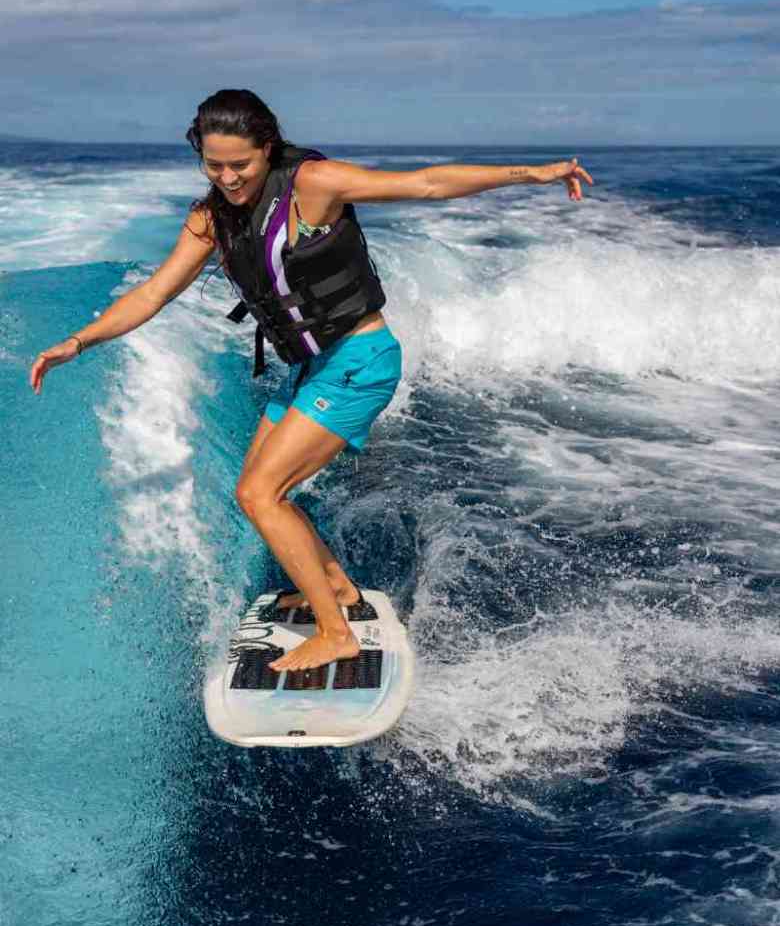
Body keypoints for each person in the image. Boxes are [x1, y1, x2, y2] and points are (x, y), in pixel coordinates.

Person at [29, 89, 593, 673]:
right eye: (213, 165)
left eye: (240, 165)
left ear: (267, 149)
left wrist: (535, 173)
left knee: (260, 494)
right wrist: (78, 342)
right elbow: (154, 292)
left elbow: (426, 184)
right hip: (310, 368)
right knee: (255, 491)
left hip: (360, 361)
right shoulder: (209, 219)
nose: (227, 178)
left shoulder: (314, 184)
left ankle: (335, 632)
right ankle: (339, 590)